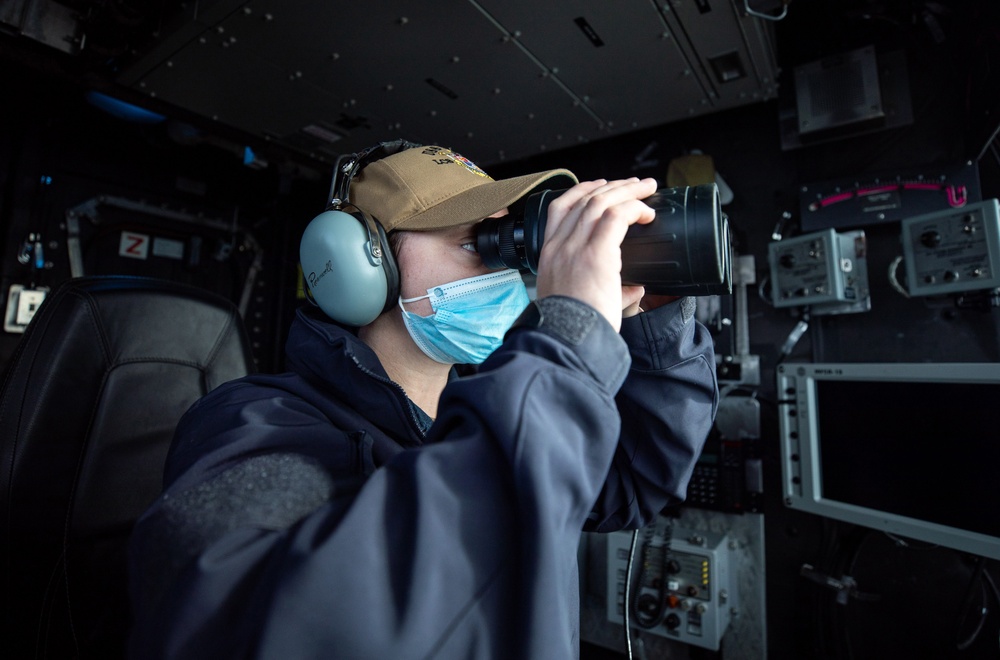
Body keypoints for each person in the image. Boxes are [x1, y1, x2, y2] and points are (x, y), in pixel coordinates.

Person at [127, 143, 718, 659]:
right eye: (476, 243)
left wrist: (652, 317)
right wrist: (569, 336)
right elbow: (258, 630)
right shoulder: (253, 422)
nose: (508, 272)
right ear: (364, 265)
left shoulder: (490, 404)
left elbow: (633, 482)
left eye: (512, 244)